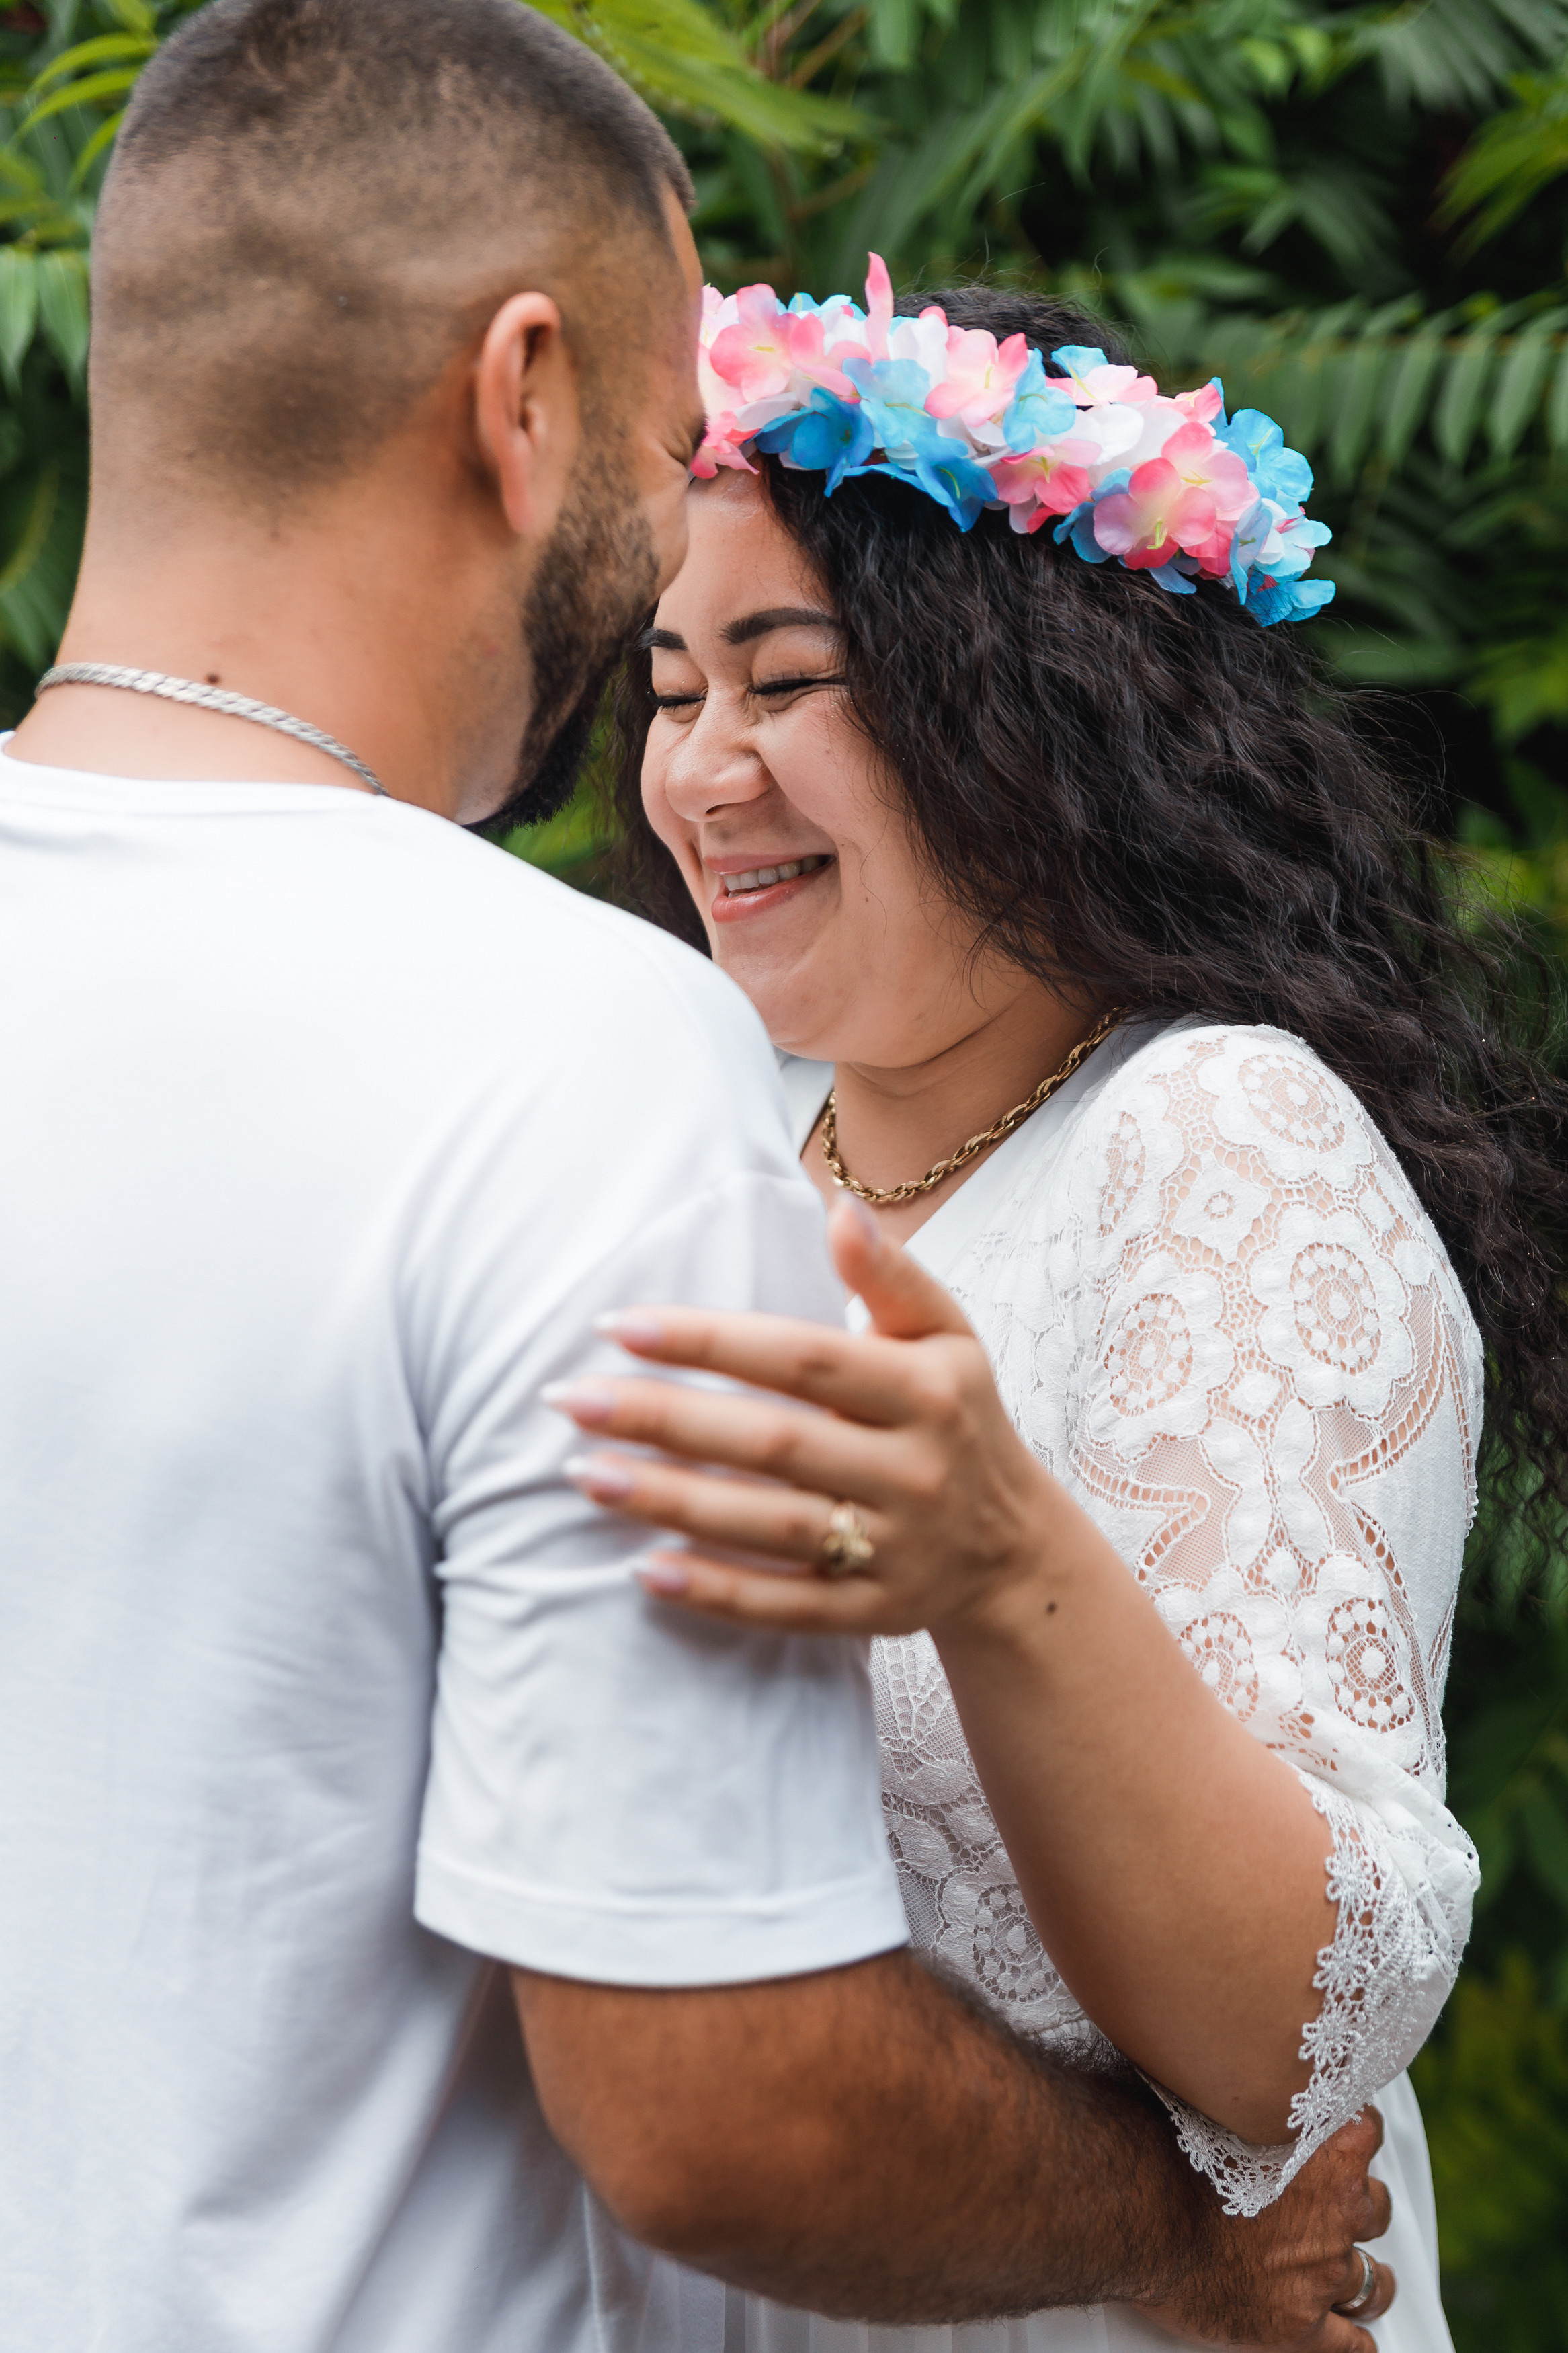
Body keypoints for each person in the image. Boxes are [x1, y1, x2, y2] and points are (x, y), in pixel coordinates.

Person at [0, 8, 1397, 2352]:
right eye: (666, 449)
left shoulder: (1189, 1130)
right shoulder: (562, 1050)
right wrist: (1175, 2238)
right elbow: (712, 2102)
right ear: (520, 393)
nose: (693, 754)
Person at [552, 263, 1568, 2350]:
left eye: (783, 677)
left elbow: (1287, 2034)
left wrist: (998, 1557)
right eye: (671, 691)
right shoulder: (703, 1118)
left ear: (1016, 703)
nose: (705, 774)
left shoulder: (1216, 1136)